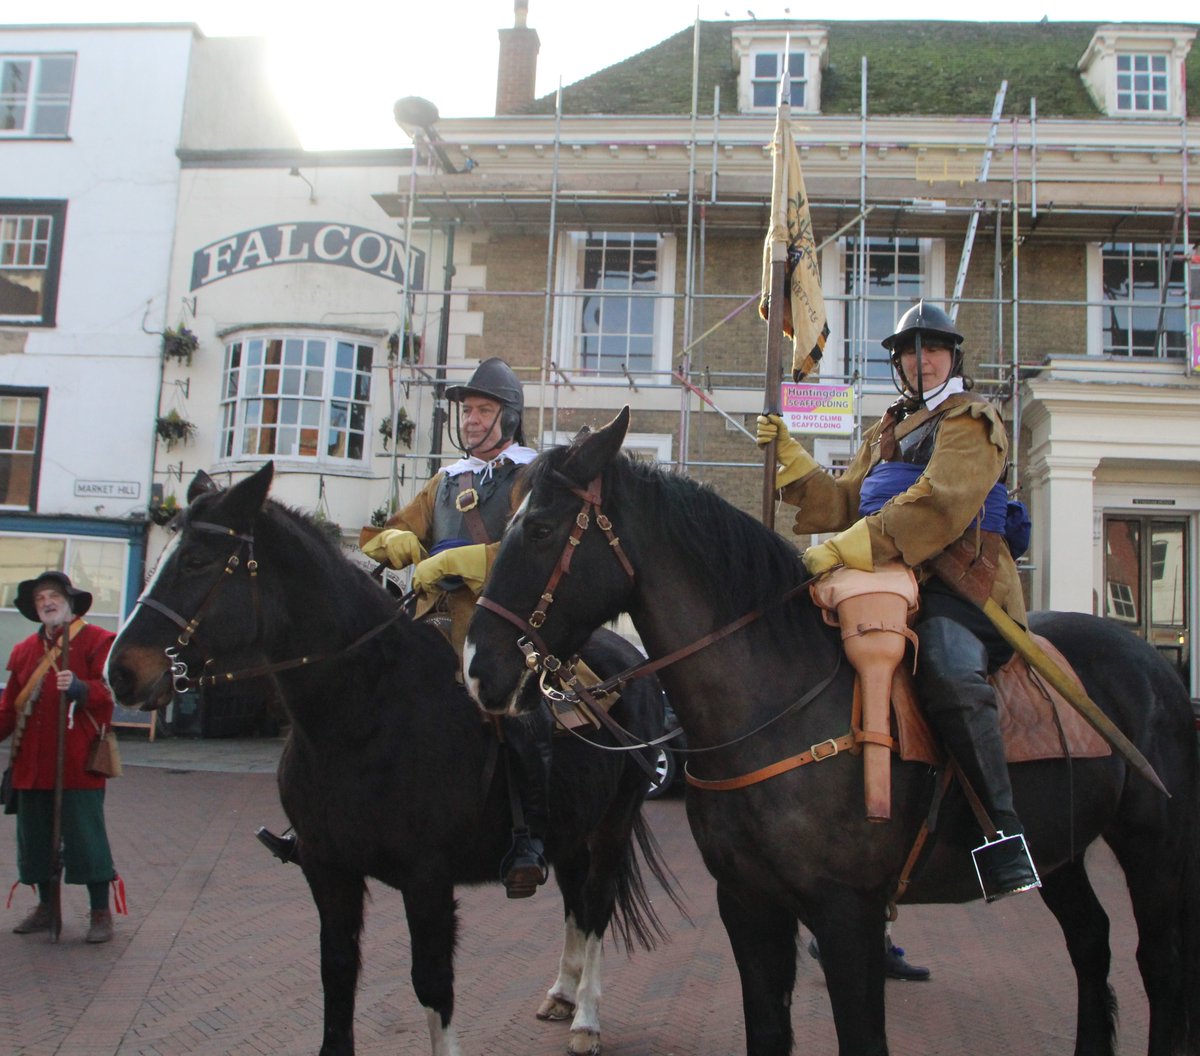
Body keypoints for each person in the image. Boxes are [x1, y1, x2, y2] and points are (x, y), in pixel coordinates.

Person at [756, 301, 1040, 902]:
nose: (922, 359)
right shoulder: (886, 429)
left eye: (933, 348)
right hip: (886, 584)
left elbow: (941, 501)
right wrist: (789, 454)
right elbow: (840, 502)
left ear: (952, 356)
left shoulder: (974, 419)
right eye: (910, 351)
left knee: (946, 669)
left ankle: (1006, 834)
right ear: (898, 365)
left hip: (962, 588)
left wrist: (847, 548)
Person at [257, 358, 552, 898]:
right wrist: (392, 543)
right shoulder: (446, 480)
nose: (471, 420)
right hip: (425, 622)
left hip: (495, 623)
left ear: (508, 417)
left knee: (512, 713)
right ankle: (320, 825)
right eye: (467, 410)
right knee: (352, 691)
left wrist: (457, 560)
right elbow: (387, 531)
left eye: (483, 410)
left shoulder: (527, 476)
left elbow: (529, 552)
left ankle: (527, 837)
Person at [0, 571, 121, 943]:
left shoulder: (99, 641)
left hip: (77, 760)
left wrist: (83, 688)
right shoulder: (22, 651)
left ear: (69, 601)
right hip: (31, 763)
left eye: (53, 595)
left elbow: (113, 690)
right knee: (35, 839)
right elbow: (8, 709)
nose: (47, 602)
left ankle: (100, 912)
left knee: (86, 837)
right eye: (40, 599)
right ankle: (47, 907)